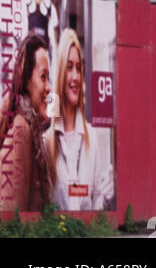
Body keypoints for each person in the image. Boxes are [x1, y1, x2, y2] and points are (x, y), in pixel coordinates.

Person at [45, 28, 114, 211]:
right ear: (60, 73)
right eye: (69, 67)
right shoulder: (46, 143)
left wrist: (104, 197)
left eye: (78, 68)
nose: (75, 77)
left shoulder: (91, 137)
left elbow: (96, 207)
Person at [0, 31, 52, 212]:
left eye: (48, 78)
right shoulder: (21, 131)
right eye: (43, 77)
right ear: (26, 80)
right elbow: (10, 218)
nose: (48, 87)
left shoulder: (32, 130)